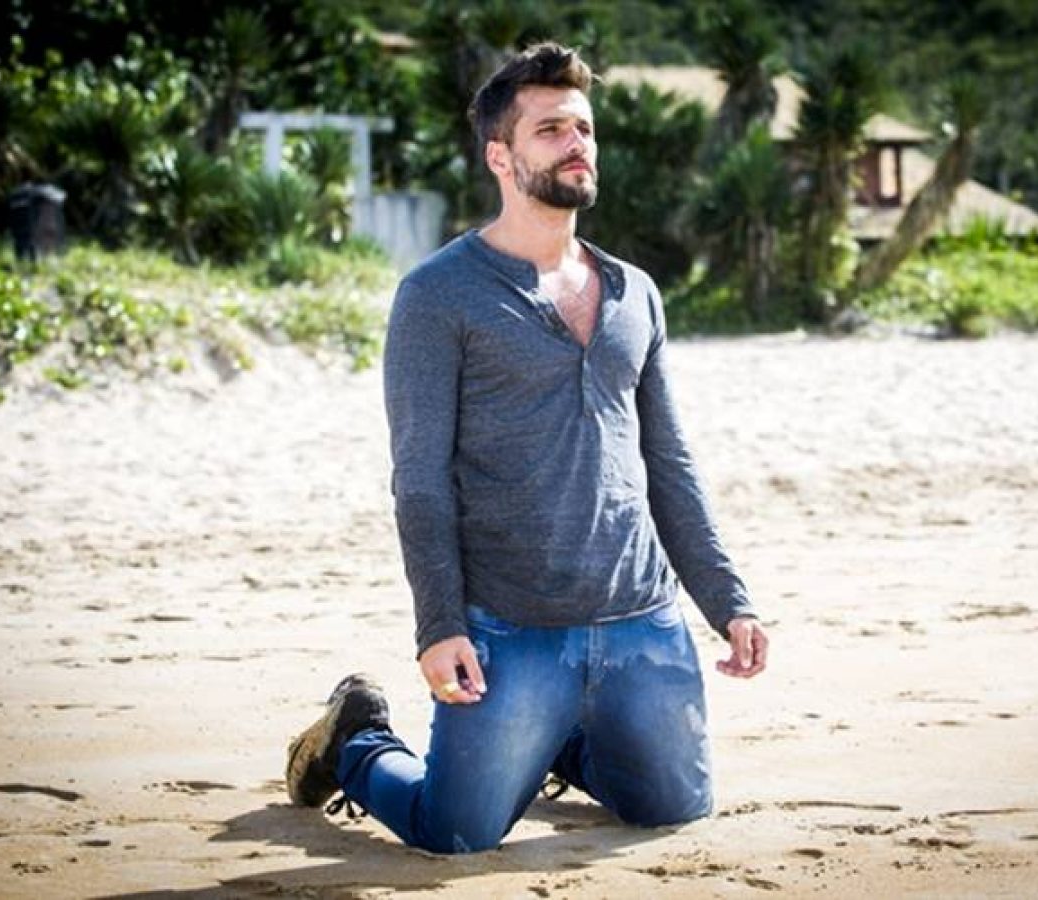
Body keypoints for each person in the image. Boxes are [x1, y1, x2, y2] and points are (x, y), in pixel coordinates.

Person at [286, 42, 769, 854]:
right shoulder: (437, 295)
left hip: (641, 621)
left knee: (672, 809)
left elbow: (670, 464)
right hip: (511, 626)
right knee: (455, 832)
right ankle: (356, 743)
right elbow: (421, 480)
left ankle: (553, 744)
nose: (577, 143)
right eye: (551, 130)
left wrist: (729, 601)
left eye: (584, 128)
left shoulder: (635, 292)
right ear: (500, 156)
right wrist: (439, 626)